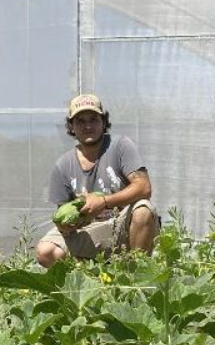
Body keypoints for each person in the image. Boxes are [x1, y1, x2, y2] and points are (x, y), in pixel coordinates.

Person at [35, 94, 160, 268]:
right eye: (80, 121)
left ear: (103, 121)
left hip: (123, 226)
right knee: (46, 251)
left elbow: (144, 187)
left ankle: (135, 276)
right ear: (71, 126)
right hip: (89, 231)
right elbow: (63, 214)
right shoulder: (63, 165)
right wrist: (66, 226)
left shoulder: (120, 146)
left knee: (143, 209)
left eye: (93, 119)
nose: (88, 126)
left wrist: (103, 202)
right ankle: (91, 280)